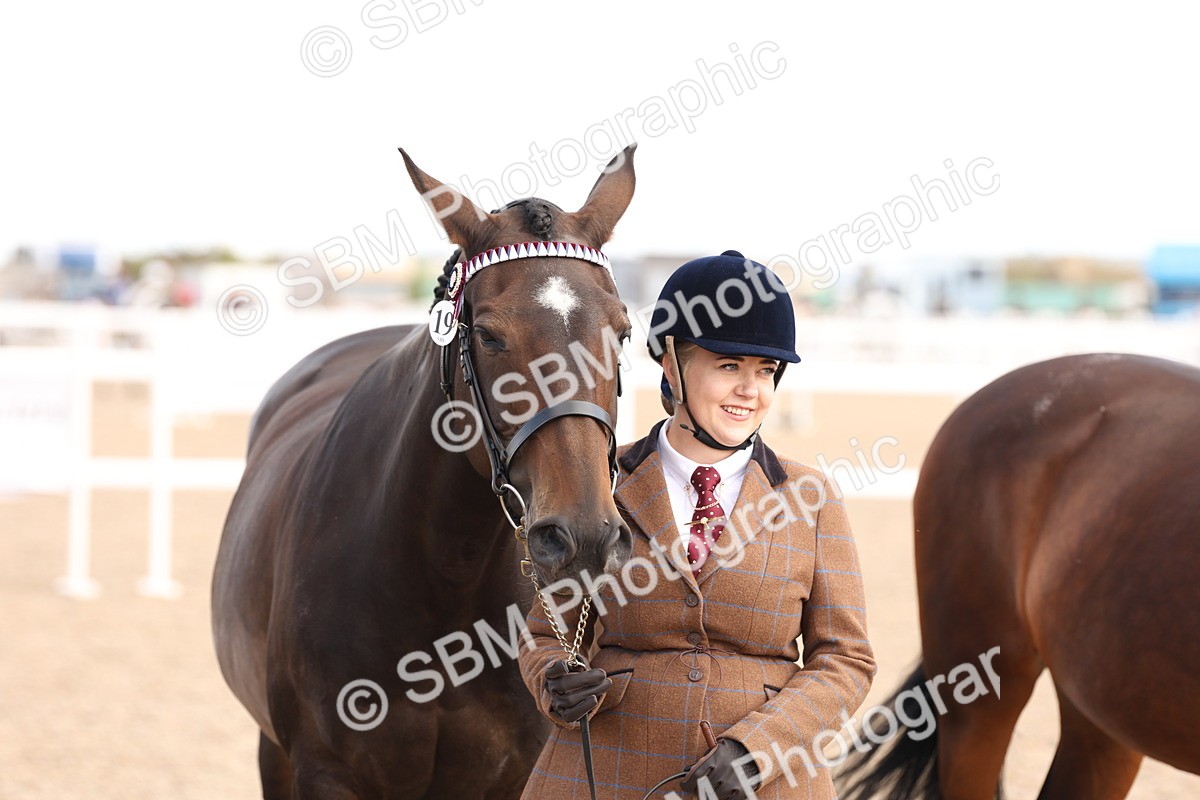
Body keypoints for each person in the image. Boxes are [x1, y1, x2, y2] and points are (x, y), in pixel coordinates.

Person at [518, 251, 876, 799]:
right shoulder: (603, 487)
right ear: (671, 365)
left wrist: (756, 752)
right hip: (607, 771)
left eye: (766, 371)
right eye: (729, 367)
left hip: (767, 783)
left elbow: (845, 660)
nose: (750, 390)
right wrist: (552, 680)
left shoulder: (812, 498)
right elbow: (546, 635)